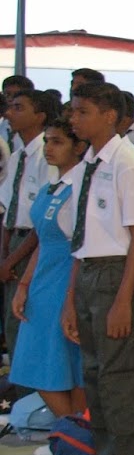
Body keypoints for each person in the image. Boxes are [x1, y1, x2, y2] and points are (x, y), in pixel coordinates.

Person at [63, 83, 134, 455]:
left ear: (108, 116)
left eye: (82, 111)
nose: (73, 118)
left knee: (121, 376)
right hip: (89, 272)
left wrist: (123, 300)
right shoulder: (88, 162)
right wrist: (71, 299)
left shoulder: (128, 163)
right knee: (95, 374)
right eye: (72, 111)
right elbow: (81, 237)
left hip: (118, 274)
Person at [10, 116, 87, 418]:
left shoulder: (81, 187)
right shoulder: (50, 187)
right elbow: (42, 240)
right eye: (47, 141)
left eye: (58, 142)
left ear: (78, 147)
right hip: (43, 281)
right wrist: (24, 285)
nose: (49, 148)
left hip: (67, 280)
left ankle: (74, 433)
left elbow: (81, 247)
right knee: (40, 360)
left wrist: (70, 295)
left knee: (70, 360)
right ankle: (67, 429)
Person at [0, 87, 54, 365]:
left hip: (34, 244)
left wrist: (12, 258)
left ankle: (32, 398)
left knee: (26, 316)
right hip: (12, 243)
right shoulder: (17, 155)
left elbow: (44, 219)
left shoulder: (48, 155)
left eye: (19, 107)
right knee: (12, 320)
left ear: (40, 116)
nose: (9, 113)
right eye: (10, 107)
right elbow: (8, 208)